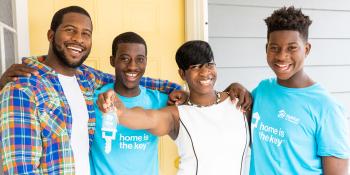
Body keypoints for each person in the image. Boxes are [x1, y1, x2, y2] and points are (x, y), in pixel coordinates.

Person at [0, 6, 181, 174]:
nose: (78, 38)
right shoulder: (22, 88)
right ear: (51, 35)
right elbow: (20, 168)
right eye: (70, 30)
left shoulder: (86, 79)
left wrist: (177, 90)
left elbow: (127, 78)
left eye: (86, 33)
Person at [99, 40, 250, 175]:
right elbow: (147, 118)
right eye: (195, 67)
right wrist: (120, 111)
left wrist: (234, 86)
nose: (205, 72)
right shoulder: (177, 114)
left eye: (209, 64)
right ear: (182, 74)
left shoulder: (238, 102)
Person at [249, 6, 350, 175]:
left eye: (292, 48)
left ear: (307, 49)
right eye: (274, 47)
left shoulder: (326, 107)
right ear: (266, 48)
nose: (282, 56)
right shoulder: (262, 90)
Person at [89, 32, 169, 175]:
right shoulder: (93, 99)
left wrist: (183, 93)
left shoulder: (160, 101)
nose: (132, 66)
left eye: (140, 59)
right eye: (125, 59)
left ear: (146, 62)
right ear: (112, 60)